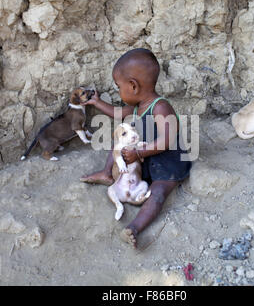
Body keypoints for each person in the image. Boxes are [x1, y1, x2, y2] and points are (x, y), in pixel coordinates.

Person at [80, 48, 192, 248]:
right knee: (119, 143)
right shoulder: (136, 106)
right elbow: (116, 113)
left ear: (132, 86)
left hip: (168, 165)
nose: (118, 91)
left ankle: (134, 227)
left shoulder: (160, 107)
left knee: (157, 194)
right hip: (145, 160)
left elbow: (167, 139)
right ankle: (107, 173)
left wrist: (138, 152)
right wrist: (96, 102)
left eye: (118, 87)